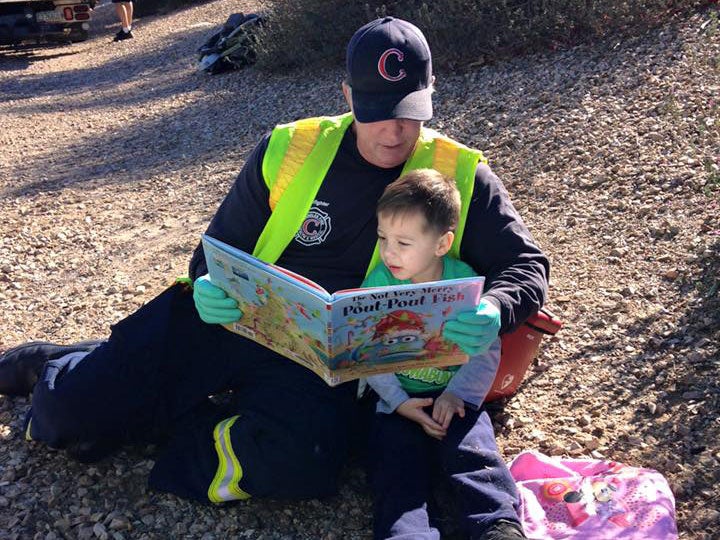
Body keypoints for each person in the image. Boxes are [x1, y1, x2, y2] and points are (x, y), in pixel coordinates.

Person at [0, 16, 548, 539]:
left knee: (305, 464)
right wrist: (209, 286)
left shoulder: (459, 175)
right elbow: (214, 253)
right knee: (73, 414)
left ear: (430, 93)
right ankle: (54, 364)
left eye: (409, 110)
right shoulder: (289, 148)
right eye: (376, 110)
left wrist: (496, 309)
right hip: (237, 318)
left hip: (324, 364)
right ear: (348, 96)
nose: (394, 129)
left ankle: (168, 414)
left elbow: (526, 267)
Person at [362, 168, 518, 539]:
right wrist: (399, 401)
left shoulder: (464, 284)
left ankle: (497, 525)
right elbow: (367, 354)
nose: (388, 252)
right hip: (396, 401)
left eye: (403, 243)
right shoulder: (377, 283)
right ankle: (407, 533)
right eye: (383, 238)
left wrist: (458, 394)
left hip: (454, 396)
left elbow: (483, 347)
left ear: (441, 244)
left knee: (474, 456)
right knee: (395, 468)